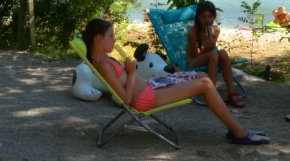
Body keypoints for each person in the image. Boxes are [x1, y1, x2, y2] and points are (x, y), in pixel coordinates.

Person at [83, 19, 269, 145]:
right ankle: (238, 132)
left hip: (151, 87)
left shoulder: (104, 59)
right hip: (146, 98)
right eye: (111, 35)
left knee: (202, 77)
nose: (114, 39)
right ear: (99, 39)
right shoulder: (103, 65)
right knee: (205, 84)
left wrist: (130, 72)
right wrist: (131, 73)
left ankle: (234, 128)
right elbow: (125, 99)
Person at [186, 1, 245, 107]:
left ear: (214, 17)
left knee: (222, 52)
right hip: (193, 62)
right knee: (214, 55)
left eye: (209, 17)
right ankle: (212, 94)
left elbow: (212, 50)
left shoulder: (215, 30)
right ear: (198, 18)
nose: (207, 20)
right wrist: (204, 48)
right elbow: (194, 55)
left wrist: (210, 46)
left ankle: (230, 92)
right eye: (203, 17)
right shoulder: (193, 33)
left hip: (209, 58)